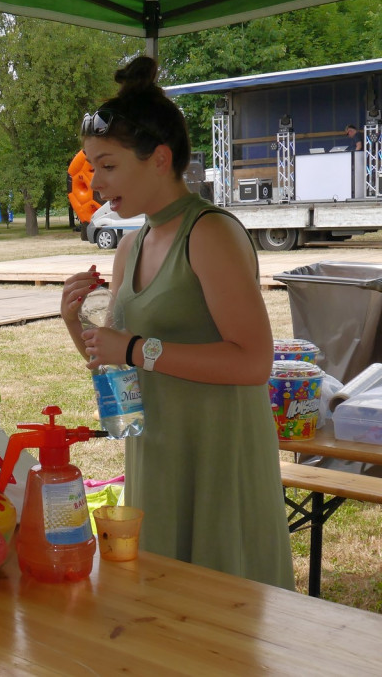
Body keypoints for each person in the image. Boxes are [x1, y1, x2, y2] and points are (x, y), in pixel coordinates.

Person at [61, 56, 294, 590]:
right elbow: (114, 362)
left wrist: (138, 347)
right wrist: (76, 322)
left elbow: (254, 361)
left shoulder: (209, 233)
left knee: (224, 629)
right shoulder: (130, 245)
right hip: (158, 453)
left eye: (108, 165)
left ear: (159, 158)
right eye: (92, 167)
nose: (95, 184)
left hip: (218, 457)